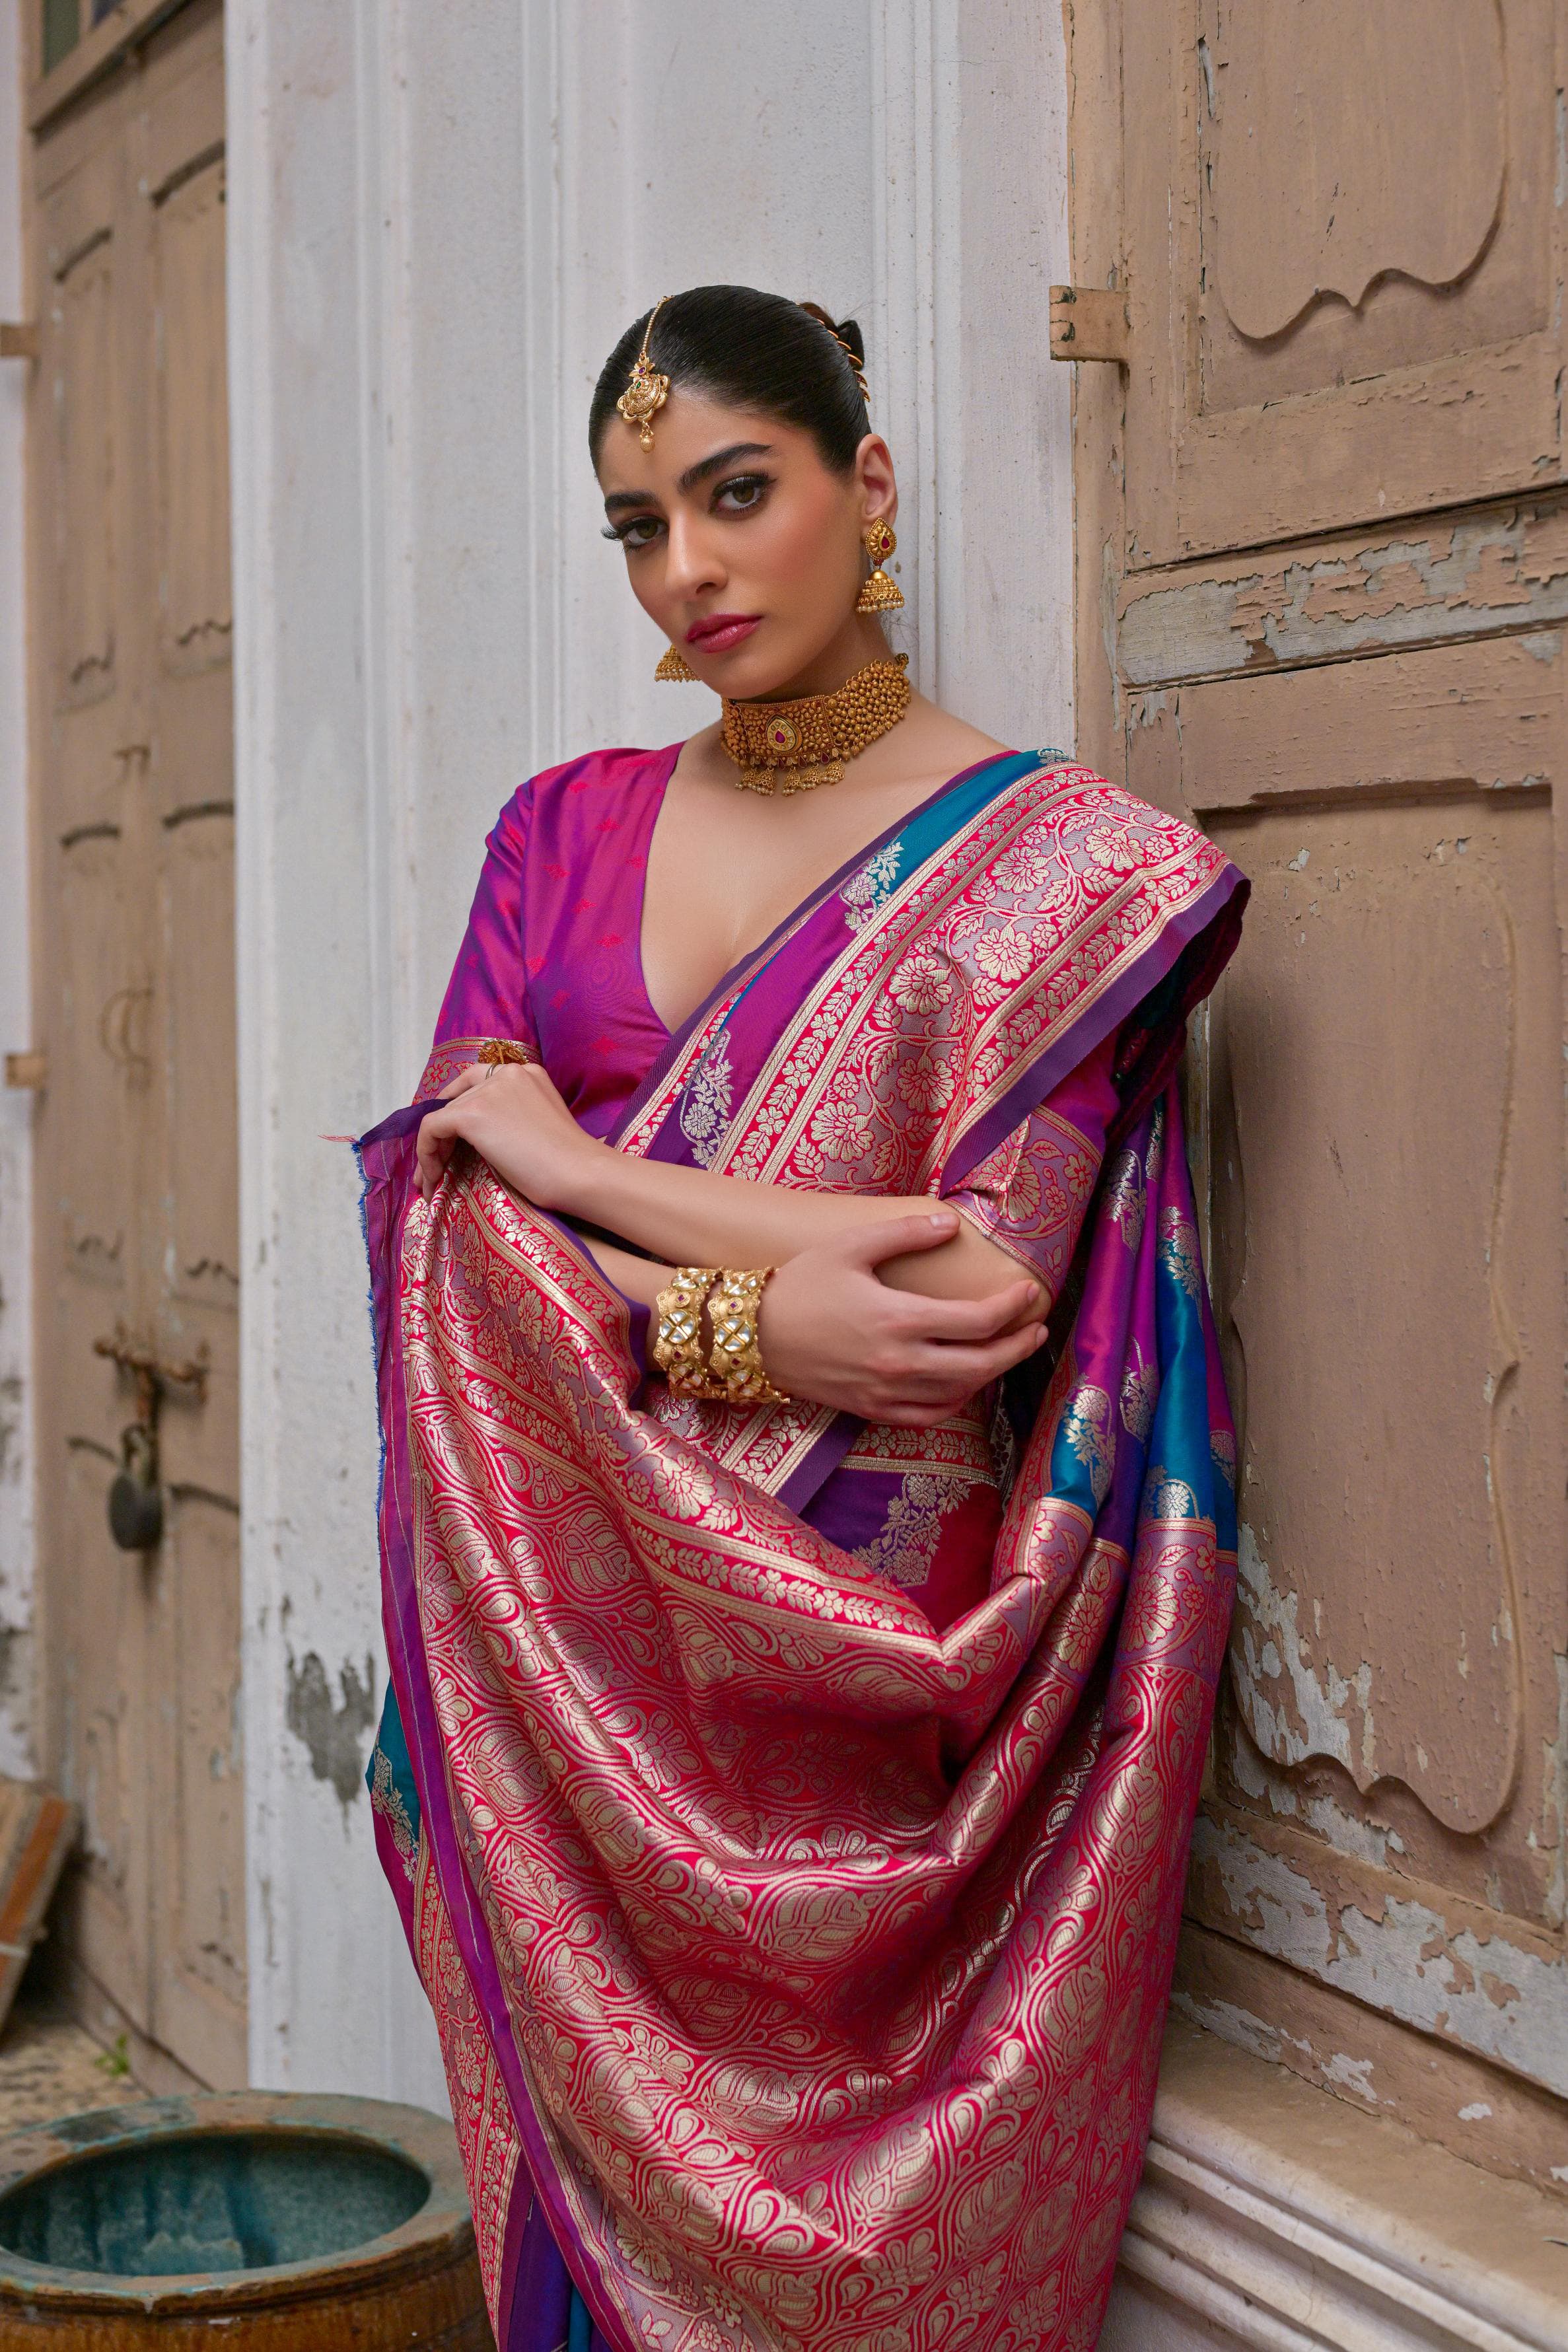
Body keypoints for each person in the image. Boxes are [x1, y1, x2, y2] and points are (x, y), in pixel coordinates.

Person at [359, 285, 1247, 2352]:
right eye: (638, 525)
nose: (687, 567)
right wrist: (739, 1308)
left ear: (870, 484)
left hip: (876, 1705)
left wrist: (584, 1181)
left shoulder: (1055, 872)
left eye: (735, 492)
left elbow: (970, 1295)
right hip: (579, 1679)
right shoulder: (560, 829)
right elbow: (448, 1231)